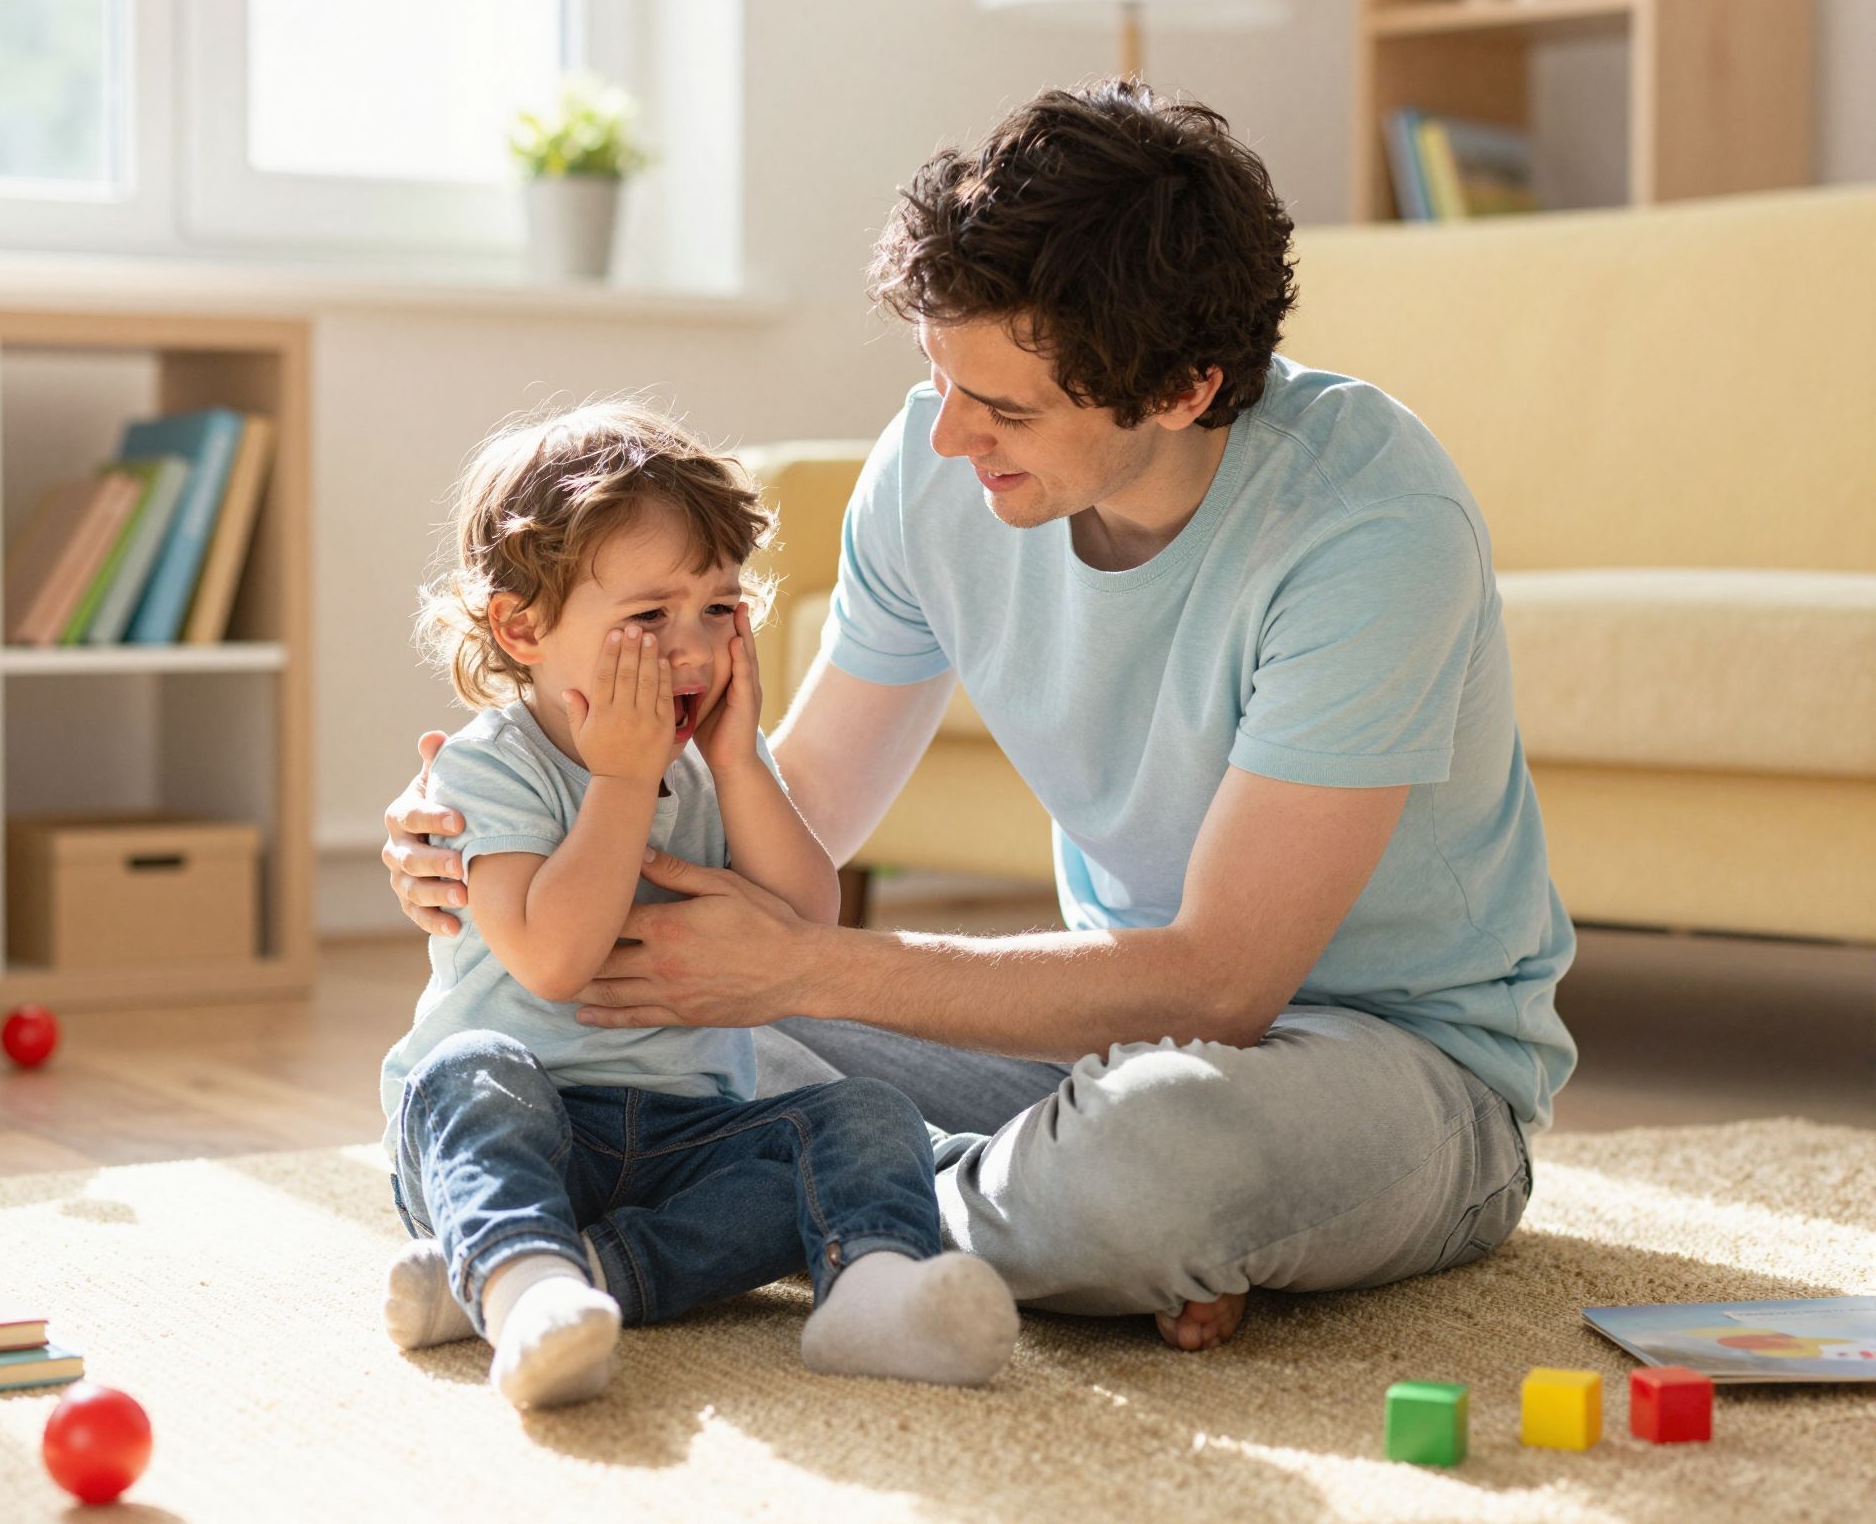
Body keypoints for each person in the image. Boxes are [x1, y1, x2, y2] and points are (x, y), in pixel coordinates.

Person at [385, 81, 1577, 1357]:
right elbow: (796, 821)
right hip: (1089, 1042)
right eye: (941, 380)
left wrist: (798, 967)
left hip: (1393, 1068)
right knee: (622, 1016)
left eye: (1007, 410)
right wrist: (502, 825)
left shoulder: (1365, 529)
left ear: (1181, 387)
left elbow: (1226, 983)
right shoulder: (933, 465)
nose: (949, 438)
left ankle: (693, 1236)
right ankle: (1002, 1234)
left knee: (1148, 1155)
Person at [379, 402, 1018, 1411]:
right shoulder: (487, 770)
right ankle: (525, 1283)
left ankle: (867, 1293)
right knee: (468, 1079)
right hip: (526, 1124)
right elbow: (553, 959)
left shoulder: (719, 758)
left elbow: (806, 924)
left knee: (864, 1118)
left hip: (688, 1133)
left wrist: (734, 761)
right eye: (647, 617)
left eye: (718, 610)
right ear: (521, 628)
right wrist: (622, 786)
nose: (690, 649)